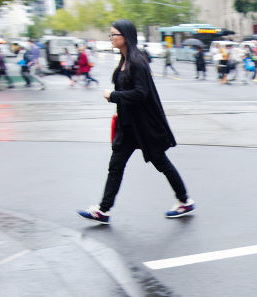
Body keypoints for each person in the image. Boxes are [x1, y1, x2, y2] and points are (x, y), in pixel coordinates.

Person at [77, 20, 195, 224]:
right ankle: (103, 209)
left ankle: (184, 200)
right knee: (116, 166)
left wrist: (113, 95)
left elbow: (141, 93)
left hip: (142, 126)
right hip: (128, 126)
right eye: (110, 34)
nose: (111, 38)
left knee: (161, 163)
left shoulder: (137, 62)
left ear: (126, 36)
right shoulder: (125, 60)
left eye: (114, 34)